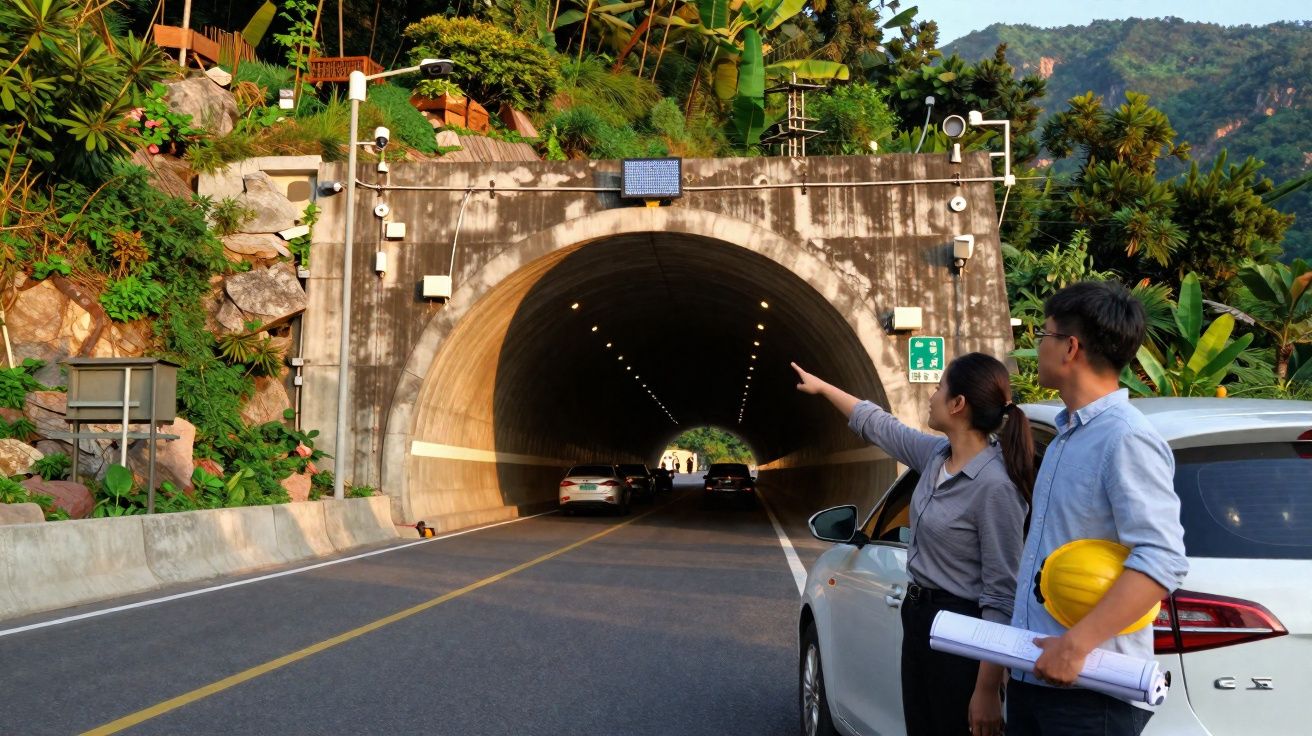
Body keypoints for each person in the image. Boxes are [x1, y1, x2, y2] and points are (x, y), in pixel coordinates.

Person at [793, 354, 1033, 736]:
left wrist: (987, 688)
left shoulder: (996, 487)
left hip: (962, 631)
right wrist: (823, 388)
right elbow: (878, 425)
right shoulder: (936, 456)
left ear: (958, 404)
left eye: (939, 388)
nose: (931, 396)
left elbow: (1001, 594)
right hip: (917, 616)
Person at [1008, 281, 1188, 736]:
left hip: (1089, 692)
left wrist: (1075, 646)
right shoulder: (1067, 436)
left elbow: (1162, 558)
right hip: (1036, 674)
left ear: (1070, 347)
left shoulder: (1125, 438)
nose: (1038, 347)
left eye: (1044, 335)